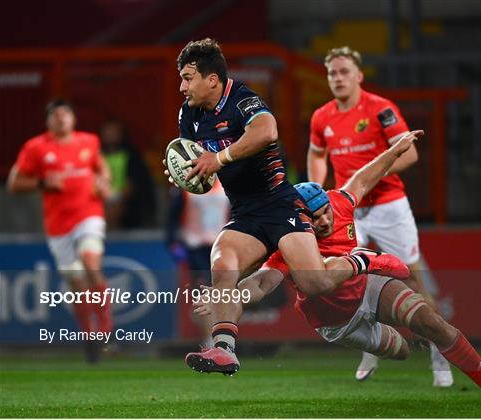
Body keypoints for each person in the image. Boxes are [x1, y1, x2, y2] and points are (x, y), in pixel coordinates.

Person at [194, 134, 481, 404]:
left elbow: (366, 176)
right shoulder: (290, 240)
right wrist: (230, 295)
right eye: (316, 217)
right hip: (337, 322)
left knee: (431, 322)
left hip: (368, 287)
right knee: (399, 350)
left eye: (325, 211)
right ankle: (366, 282)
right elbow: (263, 284)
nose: (325, 220)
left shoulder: (339, 202)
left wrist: (396, 150)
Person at [165, 38, 408, 375]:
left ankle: (361, 259)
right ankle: (224, 349)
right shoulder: (189, 115)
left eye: (188, 77)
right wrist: (187, 174)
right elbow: (201, 166)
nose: (182, 86)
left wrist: (218, 158)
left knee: (314, 283)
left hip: (281, 204)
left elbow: (267, 131)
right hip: (245, 213)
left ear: (212, 79)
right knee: (223, 266)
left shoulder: (242, 99)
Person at [307, 46, 452, 386]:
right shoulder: (321, 117)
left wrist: (368, 174)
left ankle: (439, 353)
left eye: (344, 72)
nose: (338, 78)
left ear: (358, 75)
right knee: (345, 278)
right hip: (346, 209)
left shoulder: (380, 108)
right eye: (332, 73)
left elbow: (410, 153)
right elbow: (316, 155)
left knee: (413, 279)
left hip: (388, 204)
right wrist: (316, 194)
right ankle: (370, 348)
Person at [7, 99, 113, 363]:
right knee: (76, 283)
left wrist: (104, 181)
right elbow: (14, 183)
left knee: (91, 264)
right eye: (55, 115)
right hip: (58, 227)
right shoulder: (36, 148)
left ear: (73, 119)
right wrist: (42, 182)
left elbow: (103, 168)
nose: (61, 119)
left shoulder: (88, 142)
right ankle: (90, 338)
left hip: (89, 216)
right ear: (48, 121)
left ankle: (106, 328)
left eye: (65, 114)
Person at [165, 178, 230, 346]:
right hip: (196, 247)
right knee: (204, 289)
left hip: (222, 245)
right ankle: (210, 340)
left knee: (222, 292)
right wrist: (173, 244)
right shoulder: (185, 186)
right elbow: (172, 218)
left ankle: (221, 336)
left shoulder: (226, 185)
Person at [99, 118, 156, 230]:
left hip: (129, 209)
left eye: (114, 131)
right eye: (108, 131)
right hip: (102, 202)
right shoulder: (96, 154)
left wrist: (119, 200)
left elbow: (135, 183)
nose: (110, 134)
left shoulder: (132, 155)